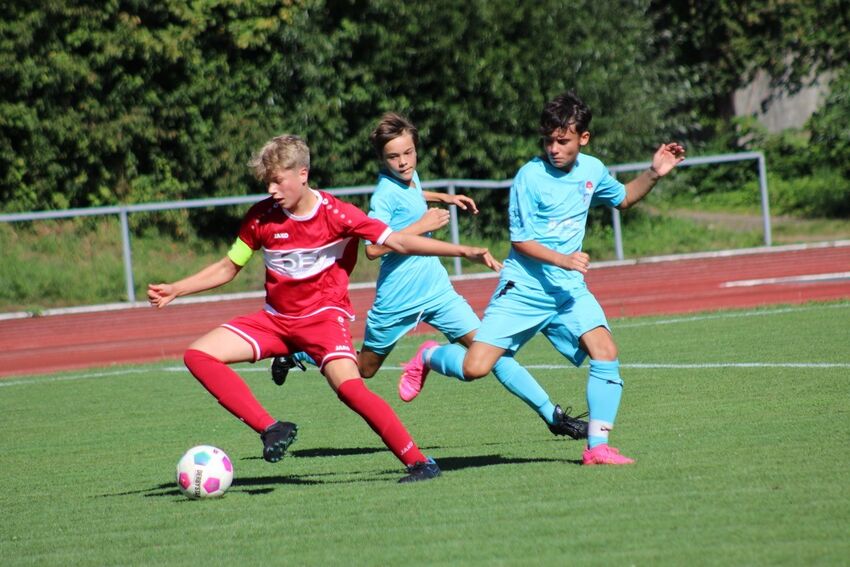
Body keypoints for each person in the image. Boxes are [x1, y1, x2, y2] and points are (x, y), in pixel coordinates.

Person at [147, 134, 500, 483]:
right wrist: (177, 288)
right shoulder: (260, 217)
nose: (271, 189)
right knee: (198, 355)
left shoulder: (338, 214)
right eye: (267, 182)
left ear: (302, 174)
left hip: (323, 322)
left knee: (352, 390)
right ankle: (271, 428)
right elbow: (229, 266)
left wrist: (463, 251)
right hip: (274, 321)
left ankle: (420, 462)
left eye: (278, 180)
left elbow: (398, 241)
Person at [402, 92, 686, 465]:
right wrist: (563, 259)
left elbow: (624, 198)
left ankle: (597, 447)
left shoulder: (592, 170)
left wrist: (654, 173)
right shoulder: (530, 177)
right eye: (549, 140)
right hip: (524, 289)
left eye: (563, 141)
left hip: (567, 291)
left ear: (584, 138)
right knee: (475, 368)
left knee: (605, 351)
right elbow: (520, 241)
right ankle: (430, 355)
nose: (554, 149)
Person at [273, 112, 589, 440]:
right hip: (397, 298)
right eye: (393, 157)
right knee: (364, 369)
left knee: (492, 353)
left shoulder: (410, 177)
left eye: (408, 153)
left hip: (438, 291)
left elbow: (413, 195)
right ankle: (298, 351)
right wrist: (422, 225)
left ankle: (554, 416)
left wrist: (445, 197)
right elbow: (373, 249)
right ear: (382, 159)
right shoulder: (383, 195)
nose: (403, 162)